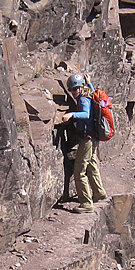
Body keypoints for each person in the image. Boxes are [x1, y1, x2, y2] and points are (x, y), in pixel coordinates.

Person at [57, 72, 108, 213]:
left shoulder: (83, 100)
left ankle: (86, 203)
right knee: (91, 164)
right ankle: (99, 192)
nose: (73, 92)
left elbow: (85, 114)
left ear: (80, 88)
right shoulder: (89, 93)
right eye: (71, 89)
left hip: (87, 138)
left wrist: (72, 114)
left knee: (79, 170)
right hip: (93, 137)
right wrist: (89, 82)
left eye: (75, 89)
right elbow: (92, 91)